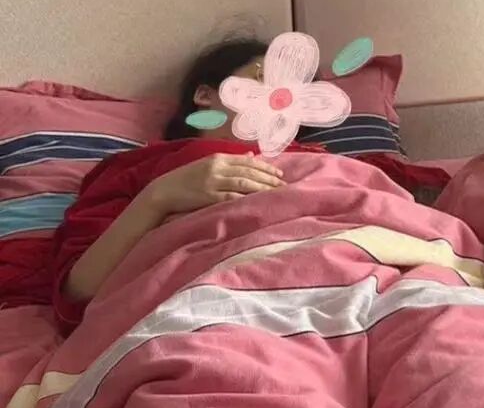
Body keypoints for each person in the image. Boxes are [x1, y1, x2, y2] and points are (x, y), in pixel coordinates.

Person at [52, 38, 447, 332]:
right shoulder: (139, 168)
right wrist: (159, 196)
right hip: (218, 310)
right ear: (205, 95)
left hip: (375, 290)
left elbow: (417, 216)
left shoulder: (330, 163)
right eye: (262, 77)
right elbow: (78, 293)